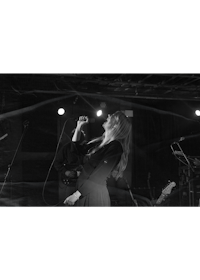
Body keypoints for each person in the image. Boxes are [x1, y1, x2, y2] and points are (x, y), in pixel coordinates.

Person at [64, 111, 132, 207]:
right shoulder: (99, 143)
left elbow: (100, 175)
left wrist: (76, 195)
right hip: (84, 192)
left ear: (115, 126)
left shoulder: (115, 147)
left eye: (111, 116)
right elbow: (75, 150)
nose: (108, 115)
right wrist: (79, 127)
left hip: (93, 195)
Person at [54, 129, 85, 204]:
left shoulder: (86, 148)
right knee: (69, 204)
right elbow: (57, 162)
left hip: (83, 183)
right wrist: (66, 172)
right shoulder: (66, 148)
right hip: (70, 183)